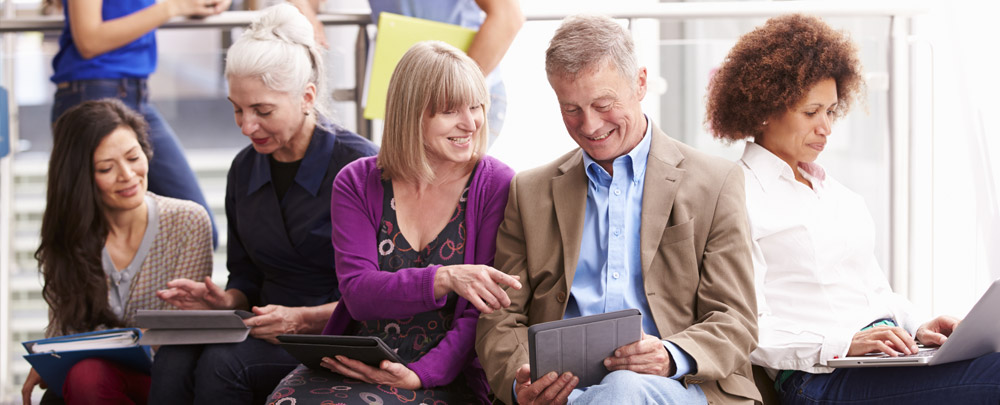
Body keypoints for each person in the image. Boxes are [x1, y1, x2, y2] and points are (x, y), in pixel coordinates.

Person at [705, 13, 1000, 404]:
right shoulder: (737, 196)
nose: (826, 127)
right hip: (819, 378)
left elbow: (873, 290)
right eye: (811, 112)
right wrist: (845, 343)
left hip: (883, 361)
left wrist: (919, 326)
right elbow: (746, 327)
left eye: (830, 110)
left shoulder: (836, 194)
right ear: (765, 108)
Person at [476, 14, 760, 405]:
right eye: (570, 109)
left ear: (641, 82)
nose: (590, 125)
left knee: (623, 387)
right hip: (565, 394)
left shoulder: (715, 182)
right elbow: (500, 318)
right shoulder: (529, 192)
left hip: (681, 385)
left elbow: (735, 320)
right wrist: (520, 384)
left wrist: (669, 355)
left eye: (603, 104)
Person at [266, 40, 519, 405]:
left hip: (448, 371)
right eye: (450, 111)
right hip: (357, 359)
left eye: (476, 106)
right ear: (411, 113)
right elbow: (359, 295)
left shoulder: (496, 184)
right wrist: (445, 277)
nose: (471, 123)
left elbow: (482, 315)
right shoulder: (356, 181)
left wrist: (420, 374)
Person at [149, 4, 378, 404]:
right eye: (237, 108)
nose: (245, 126)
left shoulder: (360, 167)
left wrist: (303, 319)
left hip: (341, 328)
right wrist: (227, 301)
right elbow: (245, 275)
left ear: (307, 96)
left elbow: (384, 290)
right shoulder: (243, 169)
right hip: (265, 325)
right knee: (173, 357)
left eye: (262, 110)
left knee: (224, 363)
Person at [21, 98, 214, 405]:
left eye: (133, 157)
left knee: (87, 375)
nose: (127, 175)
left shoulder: (187, 221)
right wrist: (49, 357)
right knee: (84, 376)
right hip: (91, 378)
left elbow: (179, 332)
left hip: (166, 380)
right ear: (81, 178)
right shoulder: (68, 234)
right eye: (106, 168)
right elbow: (63, 326)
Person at [50, 0, 228, 247]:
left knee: (200, 229)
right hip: (92, 93)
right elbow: (88, 40)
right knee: (86, 238)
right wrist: (172, 8)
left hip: (137, 97)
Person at [295, 0, 522, 147]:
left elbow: (508, 17)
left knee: (457, 196)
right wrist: (305, 12)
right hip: (411, 98)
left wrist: (455, 92)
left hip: (467, 95)